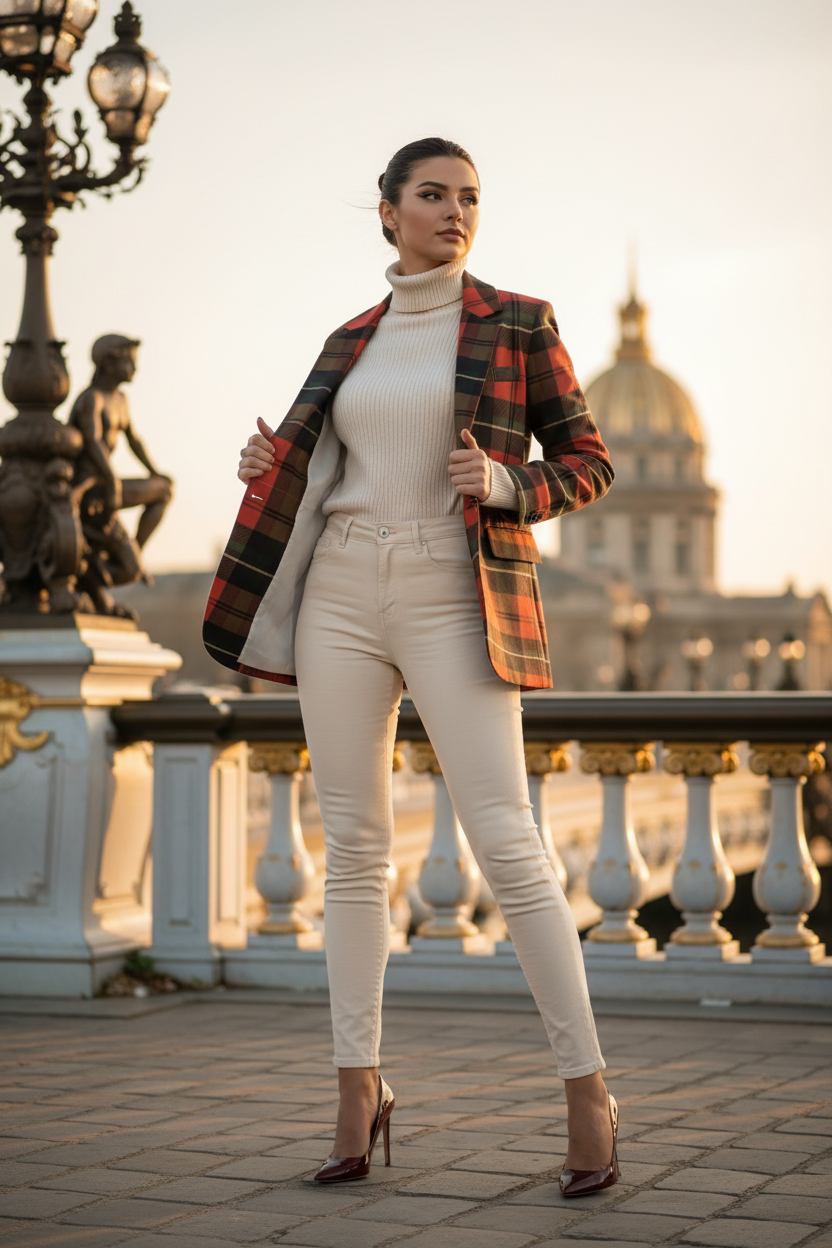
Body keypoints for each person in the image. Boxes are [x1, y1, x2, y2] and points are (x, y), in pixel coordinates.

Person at [205, 137, 618, 1197]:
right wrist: (266, 465)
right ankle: (357, 1090)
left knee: (508, 843)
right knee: (352, 849)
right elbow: (315, 465)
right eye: (432, 195)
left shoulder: (519, 321)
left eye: (469, 197)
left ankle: (587, 1093)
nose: (454, 211)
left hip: (453, 585)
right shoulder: (349, 338)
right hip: (340, 589)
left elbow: (590, 462)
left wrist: (507, 482)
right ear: (388, 212)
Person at [68, 334, 173, 610]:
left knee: (132, 568)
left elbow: (134, 440)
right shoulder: (91, 398)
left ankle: (131, 553)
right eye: (129, 362)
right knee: (163, 492)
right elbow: (92, 441)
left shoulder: (121, 400)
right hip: (91, 488)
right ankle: (88, 580)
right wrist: (112, 479)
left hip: (106, 485)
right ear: (108, 363)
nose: (134, 368)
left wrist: (154, 471)